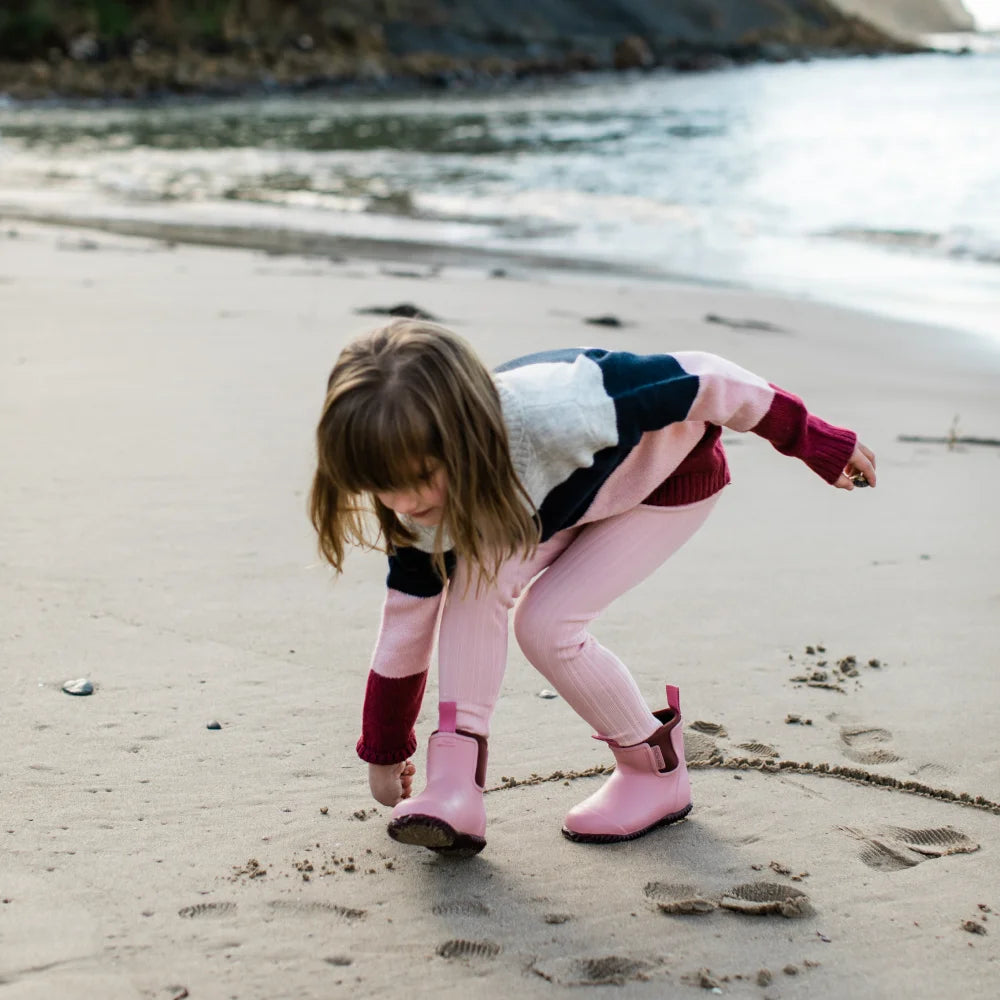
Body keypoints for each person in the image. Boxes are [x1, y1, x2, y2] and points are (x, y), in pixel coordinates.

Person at [309, 319, 875, 856]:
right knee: (472, 587)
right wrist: (385, 750)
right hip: (553, 506)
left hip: (663, 484)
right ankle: (454, 789)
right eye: (384, 489)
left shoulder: (570, 407)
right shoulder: (419, 508)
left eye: (420, 479)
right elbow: (405, 625)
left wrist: (816, 442)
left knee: (547, 624)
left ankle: (653, 773)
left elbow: (708, 377)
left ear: (464, 430)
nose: (406, 504)